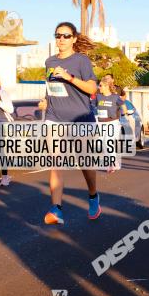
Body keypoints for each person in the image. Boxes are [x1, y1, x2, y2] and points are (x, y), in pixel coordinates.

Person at [41, 22, 101, 224]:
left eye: (66, 36)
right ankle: (56, 209)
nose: (61, 39)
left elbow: (92, 89)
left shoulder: (81, 61)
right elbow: (51, 87)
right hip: (54, 118)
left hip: (80, 118)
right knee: (56, 162)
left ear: (74, 39)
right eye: (58, 35)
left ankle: (93, 196)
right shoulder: (49, 62)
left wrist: (69, 77)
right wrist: (45, 100)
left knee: (86, 163)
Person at [95, 77, 125, 173]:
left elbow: (123, 106)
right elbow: (91, 105)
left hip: (112, 123)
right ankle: (114, 162)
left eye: (101, 85)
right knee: (102, 144)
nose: (99, 87)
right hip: (101, 123)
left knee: (108, 142)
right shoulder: (98, 97)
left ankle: (111, 164)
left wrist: (123, 112)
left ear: (107, 86)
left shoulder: (115, 97)